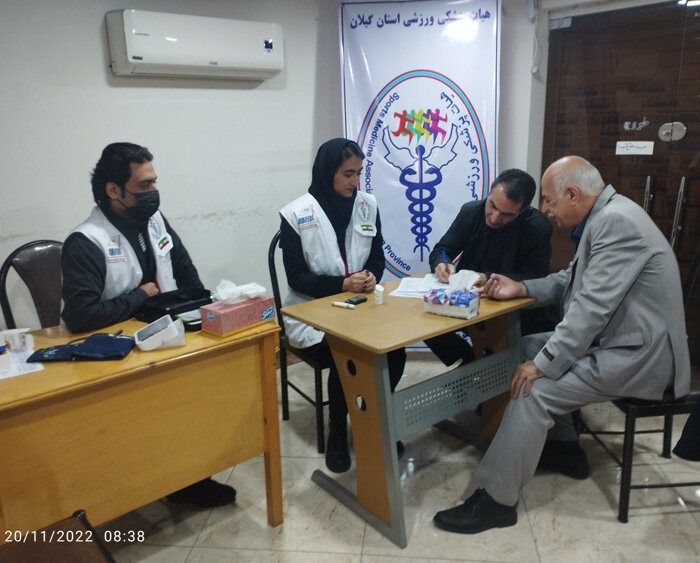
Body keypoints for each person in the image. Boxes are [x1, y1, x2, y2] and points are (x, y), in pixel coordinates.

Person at [433, 155, 691, 534]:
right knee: (524, 348)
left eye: (549, 200)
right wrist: (521, 287)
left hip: (640, 356)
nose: (544, 209)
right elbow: (569, 279)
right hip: (621, 341)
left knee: (532, 387)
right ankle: (565, 448)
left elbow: (591, 310)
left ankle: (496, 501)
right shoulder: (607, 215)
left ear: (572, 194)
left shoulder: (615, 222)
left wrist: (544, 364)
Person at [61, 142, 236, 509]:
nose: (153, 192)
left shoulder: (154, 220)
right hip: (117, 354)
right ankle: (165, 478)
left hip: (166, 336)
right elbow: (80, 316)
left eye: (154, 182)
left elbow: (185, 272)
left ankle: (189, 476)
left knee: (205, 388)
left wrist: (202, 312)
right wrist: (139, 296)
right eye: (144, 185)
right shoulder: (86, 241)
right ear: (114, 190)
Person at [279, 138, 406, 473]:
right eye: (348, 174)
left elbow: (376, 254)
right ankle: (339, 429)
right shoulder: (296, 214)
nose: (355, 181)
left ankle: (375, 419)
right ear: (327, 171)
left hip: (360, 305)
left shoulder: (367, 205)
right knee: (346, 353)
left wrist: (371, 275)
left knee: (395, 350)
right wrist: (341, 284)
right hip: (312, 312)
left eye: (359, 173)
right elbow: (296, 278)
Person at [426, 169, 555, 366]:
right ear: (489, 194)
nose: (494, 218)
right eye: (492, 206)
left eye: (506, 215)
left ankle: (483, 366)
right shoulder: (470, 212)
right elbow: (442, 249)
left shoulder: (537, 227)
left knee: (504, 346)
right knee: (424, 315)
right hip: (467, 299)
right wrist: (442, 263)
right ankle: (470, 361)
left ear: (522, 211)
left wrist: (486, 277)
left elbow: (535, 277)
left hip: (512, 309)